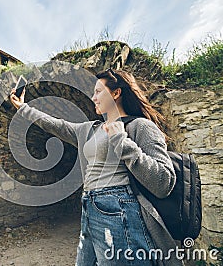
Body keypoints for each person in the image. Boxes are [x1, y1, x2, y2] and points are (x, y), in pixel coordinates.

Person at [10, 68, 184, 266]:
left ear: (116, 93)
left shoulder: (140, 126)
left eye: (98, 92)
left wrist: (122, 141)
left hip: (120, 209)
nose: (93, 97)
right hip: (89, 205)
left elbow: (164, 182)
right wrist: (22, 108)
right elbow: (55, 125)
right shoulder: (90, 129)